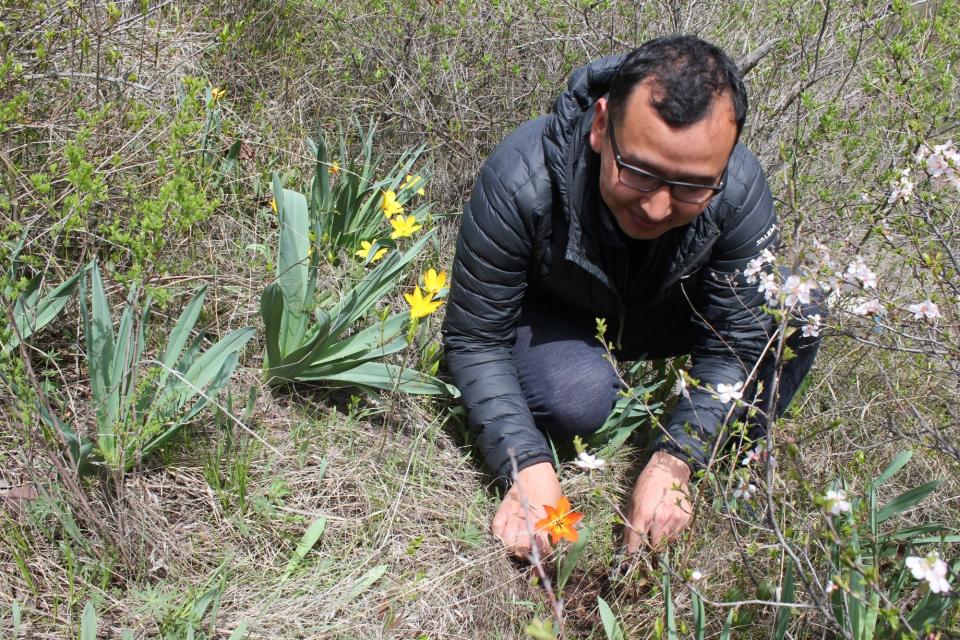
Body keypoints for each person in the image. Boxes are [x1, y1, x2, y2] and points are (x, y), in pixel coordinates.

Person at [441, 36, 821, 557]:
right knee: (579, 397)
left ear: (725, 163)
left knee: (798, 312)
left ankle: (720, 472)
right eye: (639, 172)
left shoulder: (737, 192)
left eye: (691, 186)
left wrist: (676, 459)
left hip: (660, 313)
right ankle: (580, 396)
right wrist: (526, 466)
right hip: (562, 313)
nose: (658, 207)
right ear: (601, 126)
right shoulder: (521, 178)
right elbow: (475, 337)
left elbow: (739, 340)